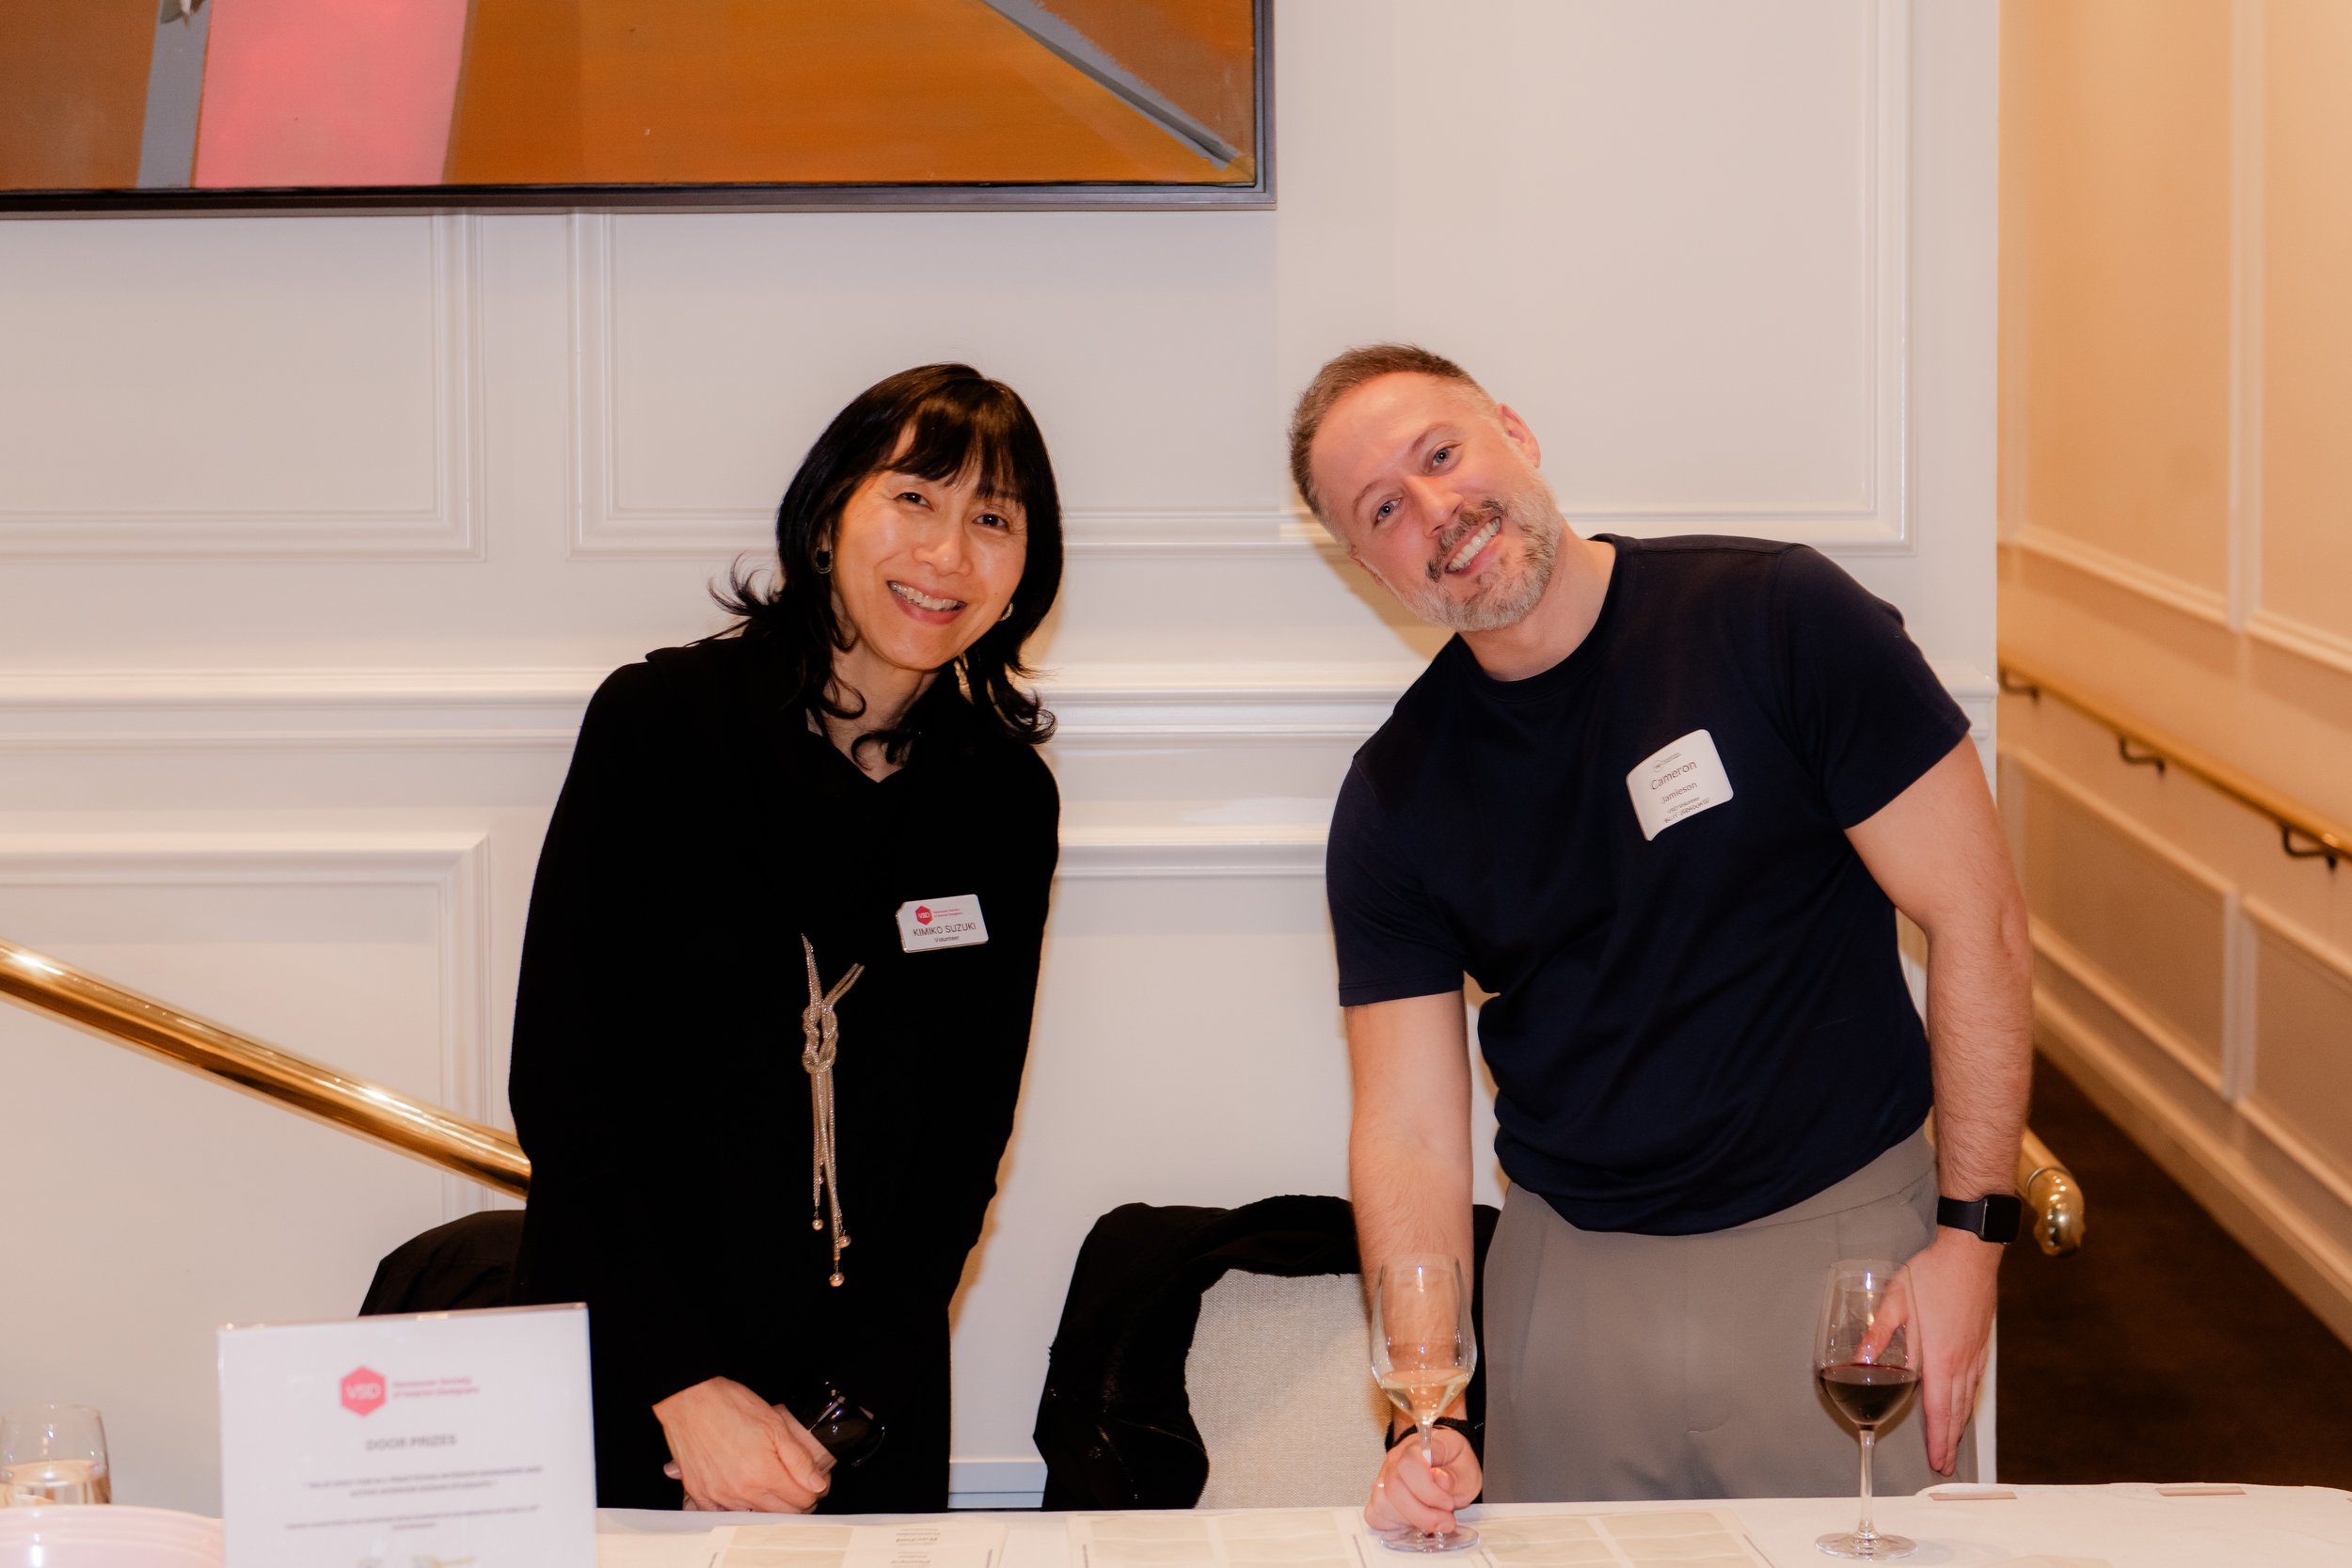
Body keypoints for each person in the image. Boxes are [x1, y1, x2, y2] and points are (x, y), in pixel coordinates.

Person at [1288, 345, 2032, 1524]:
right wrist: (1424, 1407)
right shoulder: (1393, 796)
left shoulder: (1778, 616)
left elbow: (1976, 918)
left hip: (1843, 1264)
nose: (1437, 511)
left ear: (1515, 433)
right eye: (1382, 508)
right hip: (1568, 1296)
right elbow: (1410, 1133)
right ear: (1366, 564)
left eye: (1442, 454)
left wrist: (1973, 1240)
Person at [507, 364, 1064, 1514]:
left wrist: (840, 1413)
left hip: (865, 1404)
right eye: (914, 497)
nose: (948, 552)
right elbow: (562, 1085)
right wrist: (684, 1385)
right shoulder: (659, 728)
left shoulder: (1002, 797)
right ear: (826, 517)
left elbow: (969, 1135)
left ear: (1024, 574)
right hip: (635, 1370)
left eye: (992, 519)